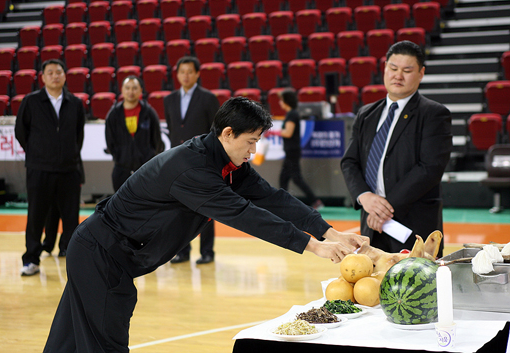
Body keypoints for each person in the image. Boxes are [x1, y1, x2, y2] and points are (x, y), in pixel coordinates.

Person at [43, 96, 367, 353]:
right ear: (228, 134)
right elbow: (244, 214)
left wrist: (329, 231)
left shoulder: (225, 160)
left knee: (68, 342)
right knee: (105, 342)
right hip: (100, 253)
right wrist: (314, 246)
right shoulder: (193, 169)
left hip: (104, 252)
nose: (254, 151)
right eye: (251, 142)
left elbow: (271, 197)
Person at [341, 41, 452, 257]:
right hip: (371, 227)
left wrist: (385, 208)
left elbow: (429, 168)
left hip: (414, 228)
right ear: (384, 69)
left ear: (421, 73)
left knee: (418, 288)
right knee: (371, 288)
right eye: (393, 69)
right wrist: (365, 197)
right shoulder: (366, 114)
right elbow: (349, 162)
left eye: (407, 70)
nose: (398, 76)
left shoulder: (434, 114)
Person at [15, 59, 85, 275]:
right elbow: (21, 132)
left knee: (71, 217)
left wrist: (68, 154)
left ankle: (74, 259)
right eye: (50, 72)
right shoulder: (31, 101)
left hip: (69, 169)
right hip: (39, 169)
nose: (55, 76)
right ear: (43, 77)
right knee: (36, 215)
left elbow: (78, 135)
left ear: (64, 76)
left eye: (59, 72)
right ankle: (31, 259)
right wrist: (38, 153)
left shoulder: (75, 103)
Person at [164, 56, 220, 264]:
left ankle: (207, 252)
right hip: (177, 162)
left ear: (197, 74)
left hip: (203, 161)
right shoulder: (169, 100)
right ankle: (183, 251)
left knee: (206, 208)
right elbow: (172, 129)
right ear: (177, 74)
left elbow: (215, 131)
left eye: (190, 71)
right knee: (180, 209)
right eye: (182, 72)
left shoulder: (208, 98)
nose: (185, 75)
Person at [105, 76, 164, 192]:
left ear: (141, 90)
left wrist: (149, 157)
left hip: (146, 170)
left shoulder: (149, 112)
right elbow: (110, 141)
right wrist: (120, 157)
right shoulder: (114, 114)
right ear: (122, 90)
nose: (130, 92)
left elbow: (157, 139)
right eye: (127, 88)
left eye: (134, 88)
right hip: (121, 169)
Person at [278, 89, 324, 210]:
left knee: (295, 178)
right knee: (284, 178)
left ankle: (315, 201)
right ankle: (282, 202)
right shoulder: (291, 114)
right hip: (290, 151)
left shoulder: (292, 114)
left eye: (281, 100)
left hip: (292, 151)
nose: (279, 102)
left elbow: (288, 133)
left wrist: (274, 132)